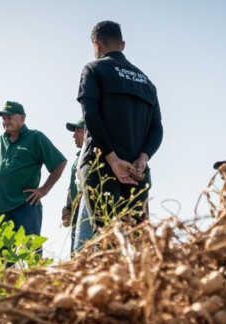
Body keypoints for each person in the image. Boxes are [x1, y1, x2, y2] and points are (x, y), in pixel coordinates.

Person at [76, 20, 163, 234]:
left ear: (97, 46)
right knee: (139, 239)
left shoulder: (94, 69)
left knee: (107, 241)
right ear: (122, 45)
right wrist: (143, 158)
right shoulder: (147, 82)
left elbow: (91, 117)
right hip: (136, 172)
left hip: (101, 167)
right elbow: (157, 129)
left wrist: (113, 160)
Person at [0, 101, 67, 241]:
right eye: (3, 118)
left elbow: (60, 163)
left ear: (23, 118)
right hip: (2, 208)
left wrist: (43, 190)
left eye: (10, 117)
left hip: (26, 206)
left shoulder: (36, 138)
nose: (6, 121)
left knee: (31, 252)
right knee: (3, 255)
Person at [61, 118, 85, 254]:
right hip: (76, 217)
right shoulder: (77, 160)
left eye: (78, 131)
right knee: (76, 254)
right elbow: (72, 187)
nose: (74, 135)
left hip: (89, 216)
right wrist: (68, 208)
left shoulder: (95, 155)